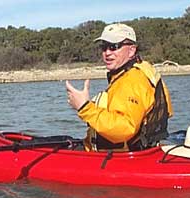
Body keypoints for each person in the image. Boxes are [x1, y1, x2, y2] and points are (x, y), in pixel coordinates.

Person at [65, 23, 173, 152]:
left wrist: (84, 107)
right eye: (104, 47)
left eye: (114, 47)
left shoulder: (133, 80)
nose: (107, 53)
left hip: (123, 158)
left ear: (132, 50)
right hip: (123, 152)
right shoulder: (131, 72)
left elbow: (124, 128)